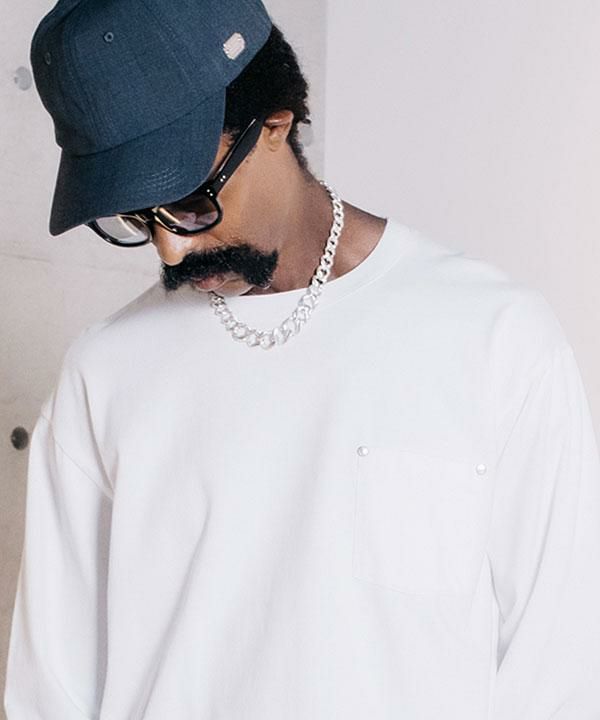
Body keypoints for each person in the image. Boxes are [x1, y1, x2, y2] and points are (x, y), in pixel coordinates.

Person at [4, 0, 600, 717]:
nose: (171, 248)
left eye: (190, 202)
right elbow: (51, 692)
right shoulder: (103, 373)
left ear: (276, 125)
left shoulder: (495, 338)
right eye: (136, 216)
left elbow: (558, 672)